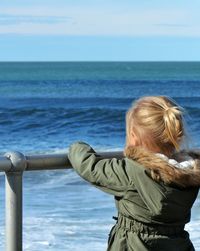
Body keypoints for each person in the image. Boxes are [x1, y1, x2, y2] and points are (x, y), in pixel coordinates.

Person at [68, 96, 200, 251]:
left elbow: (90, 167)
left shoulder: (131, 172)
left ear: (134, 137)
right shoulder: (189, 174)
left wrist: (77, 146)